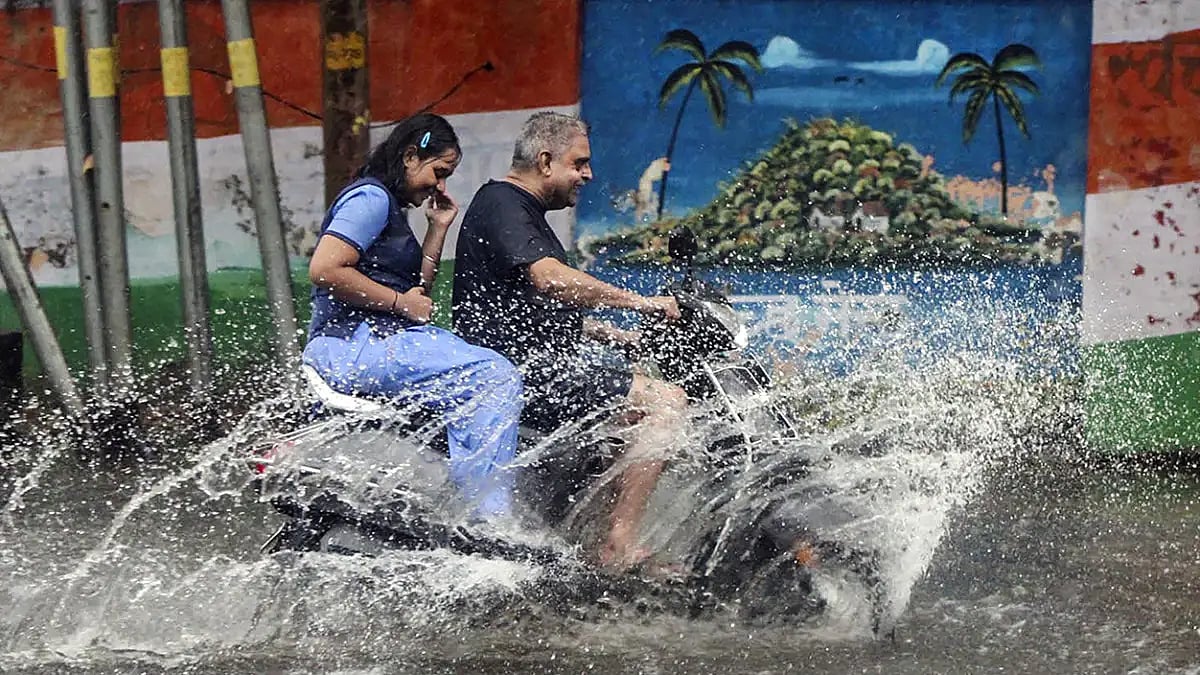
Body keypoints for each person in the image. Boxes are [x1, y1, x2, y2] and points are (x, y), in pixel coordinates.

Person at [451, 111, 688, 570]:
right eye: (579, 163)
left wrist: (618, 336)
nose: (588, 175)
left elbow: (531, 310)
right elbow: (551, 281)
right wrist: (640, 302)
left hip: (536, 368)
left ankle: (584, 546)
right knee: (666, 404)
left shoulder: (523, 214)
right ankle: (618, 545)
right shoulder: (503, 203)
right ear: (545, 162)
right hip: (521, 376)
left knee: (629, 419)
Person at [302, 112, 523, 520]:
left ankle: (456, 506)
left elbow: (414, 292)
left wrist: (437, 229)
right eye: (439, 173)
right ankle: (488, 517)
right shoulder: (370, 199)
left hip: (371, 342)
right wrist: (400, 304)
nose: (440, 186)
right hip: (353, 346)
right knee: (494, 377)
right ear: (409, 157)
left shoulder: (389, 207)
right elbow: (325, 269)